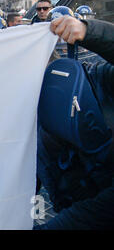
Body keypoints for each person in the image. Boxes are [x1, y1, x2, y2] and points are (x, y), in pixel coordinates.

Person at [35, 16, 114, 229]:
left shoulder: (98, 79)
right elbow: (22, 187)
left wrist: (89, 31)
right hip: (75, 210)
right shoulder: (26, 119)